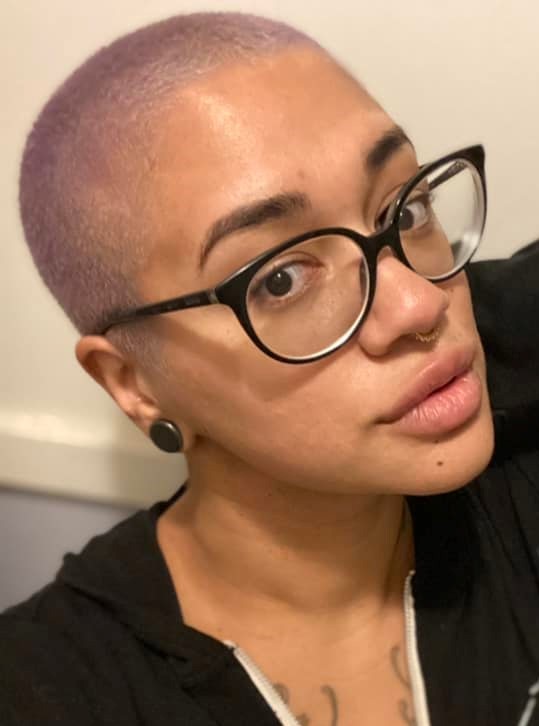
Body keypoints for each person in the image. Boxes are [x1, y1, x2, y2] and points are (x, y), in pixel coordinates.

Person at [2, 11, 539, 726]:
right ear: (134, 383)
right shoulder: (48, 692)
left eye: (405, 210)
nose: (419, 304)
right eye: (281, 280)